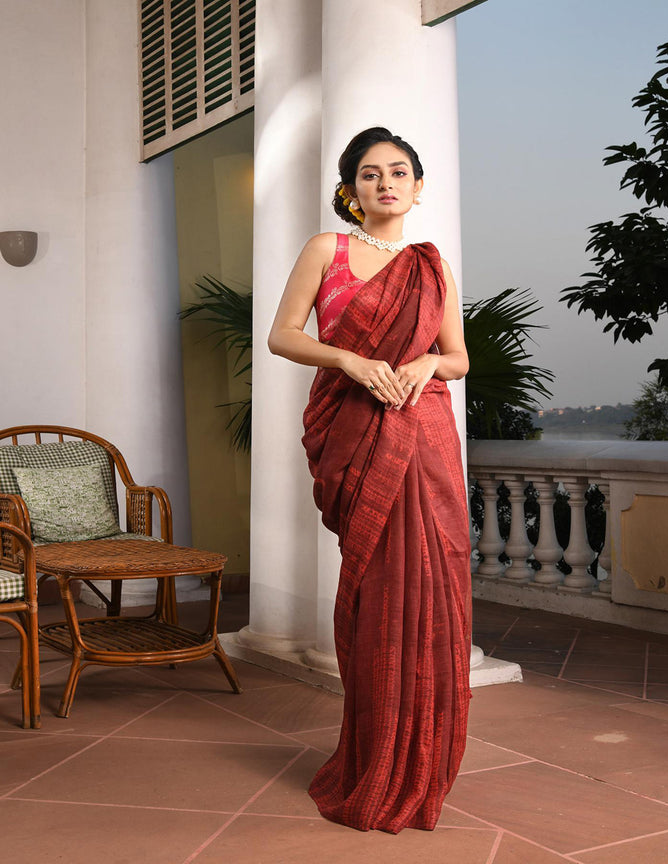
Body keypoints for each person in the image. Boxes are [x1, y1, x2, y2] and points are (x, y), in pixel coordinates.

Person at [268, 127, 472, 833]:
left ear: (418, 186)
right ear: (350, 191)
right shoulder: (328, 250)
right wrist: (351, 362)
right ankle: (373, 757)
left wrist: (422, 366)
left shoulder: (433, 266)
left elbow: (457, 358)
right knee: (379, 592)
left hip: (424, 436)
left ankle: (423, 761)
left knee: (434, 591)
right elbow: (283, 335)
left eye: (398, 172)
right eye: (368, 174)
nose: (385, 183)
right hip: (354, 429)